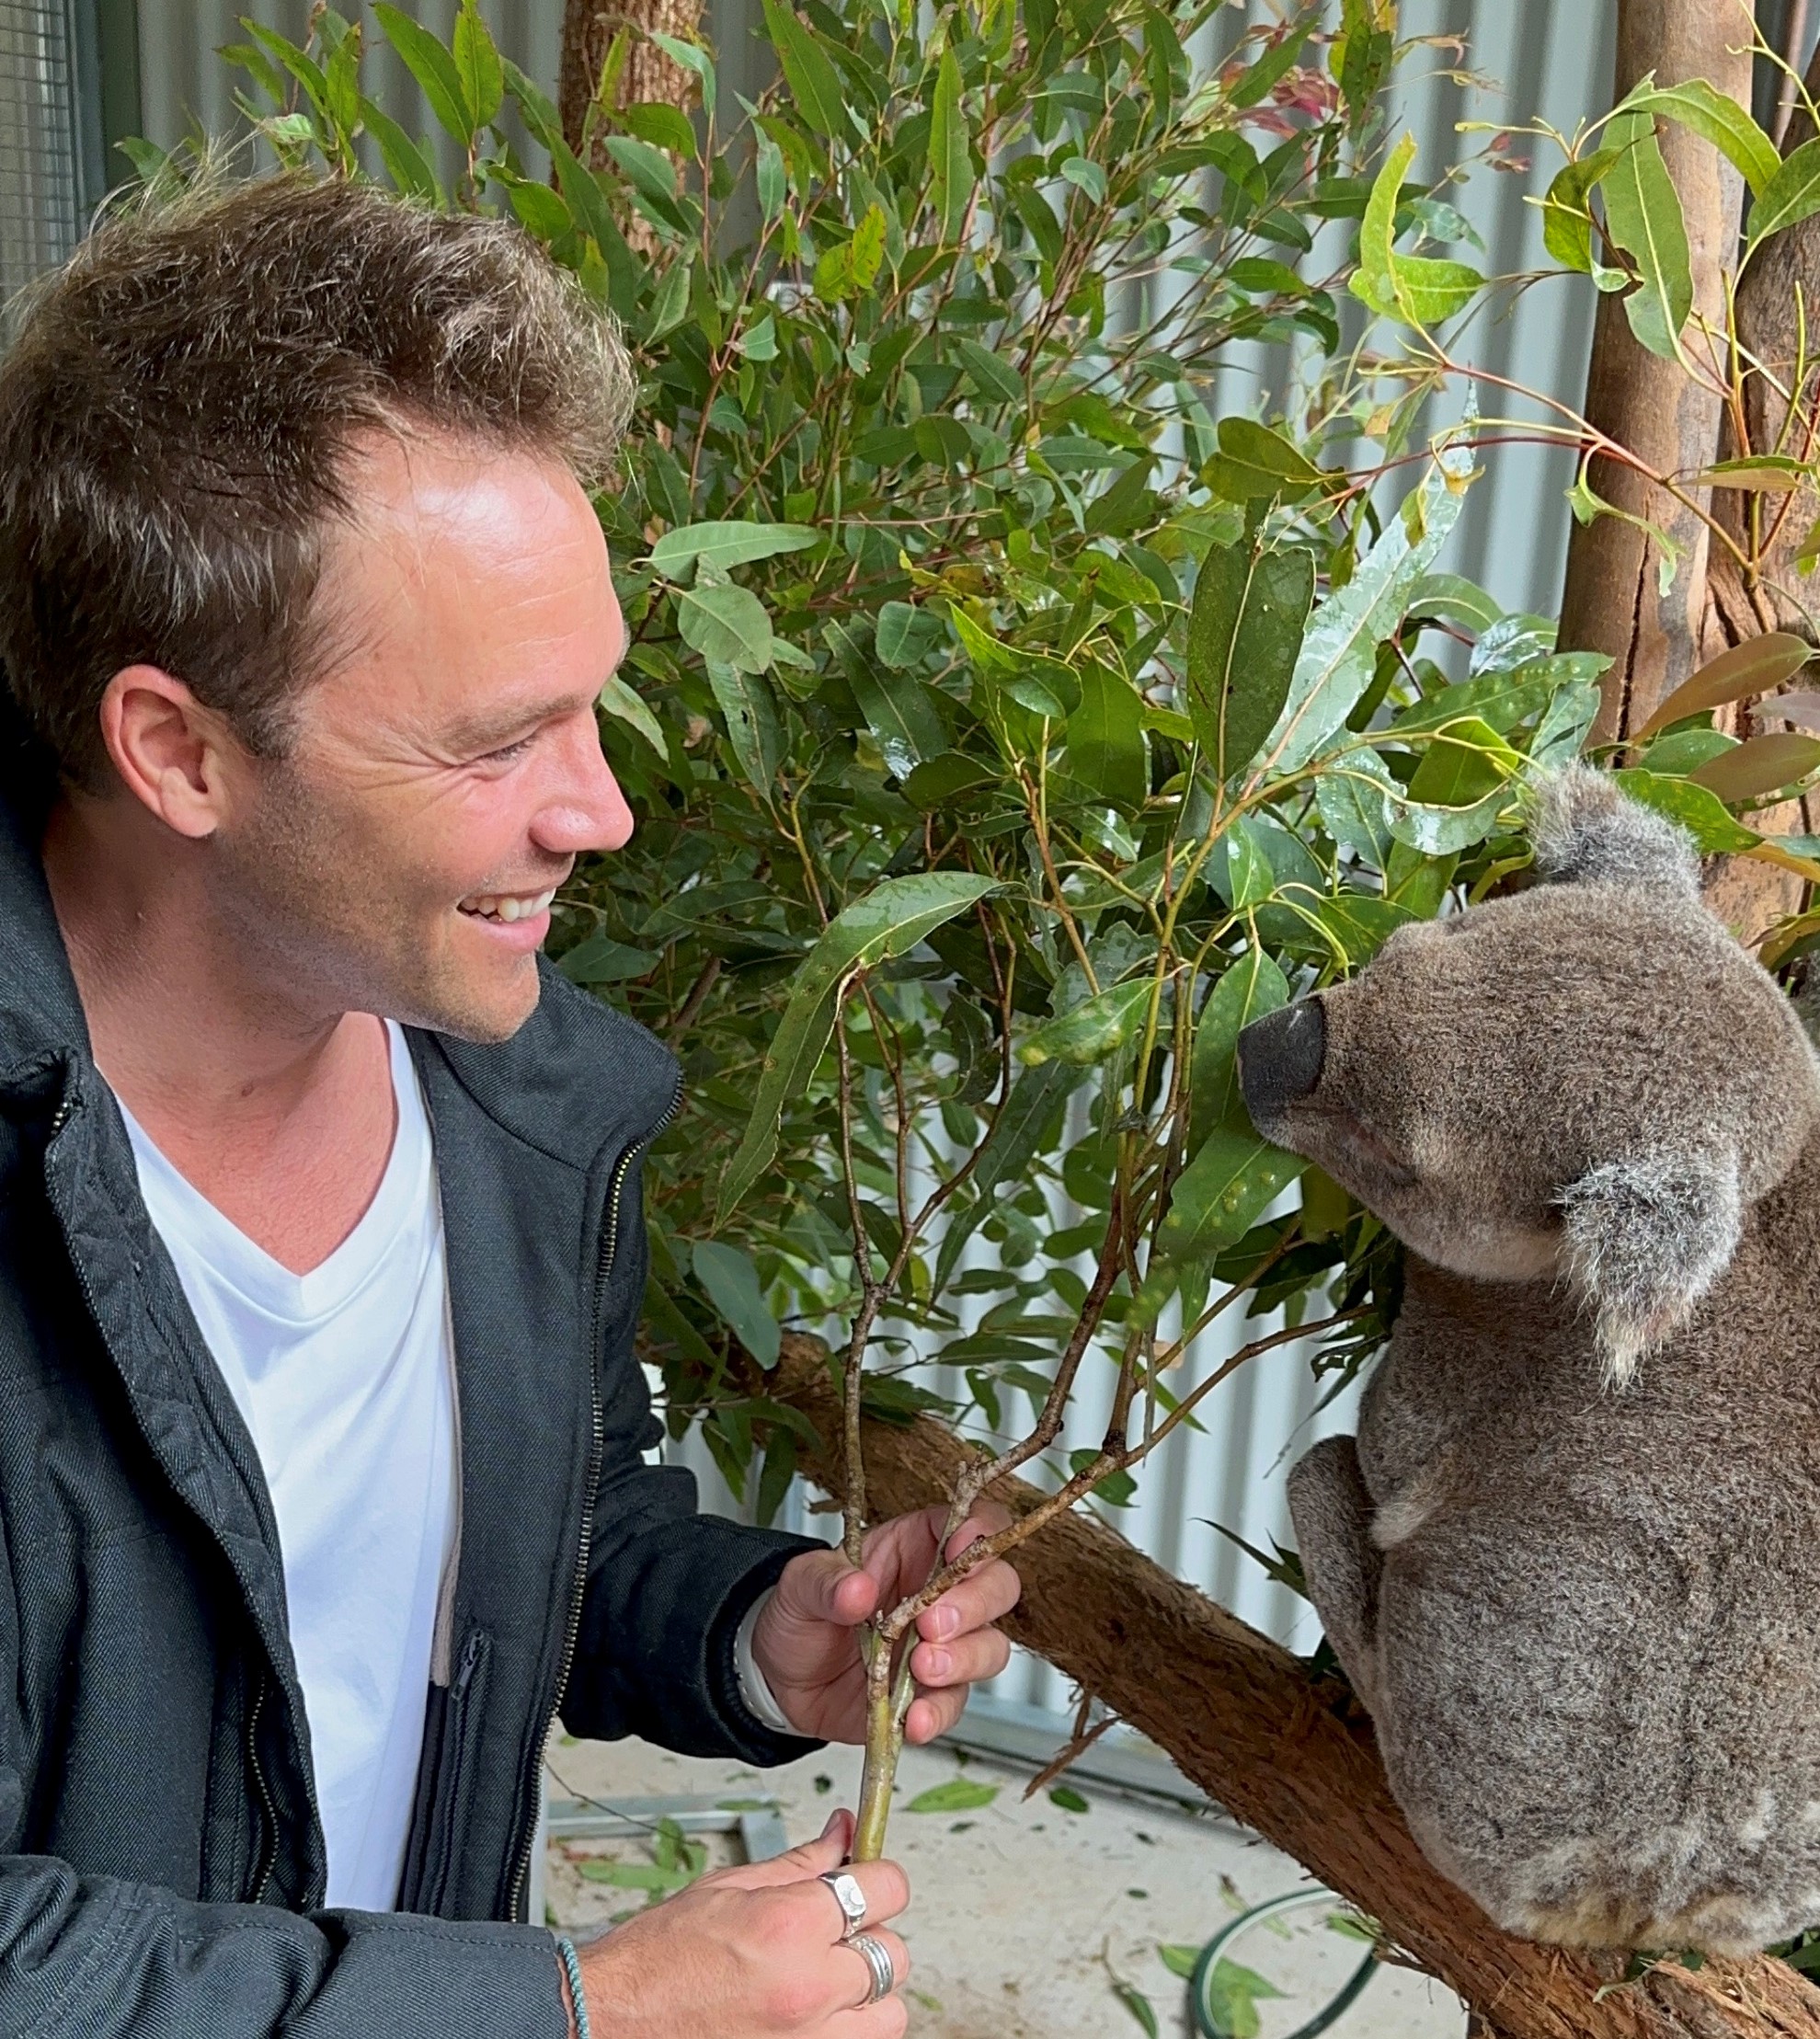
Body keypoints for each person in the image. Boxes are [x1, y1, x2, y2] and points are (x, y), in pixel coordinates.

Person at [0, 171, 1022, 2037]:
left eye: (595, 706)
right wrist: (570, 2004)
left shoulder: (514, 1098)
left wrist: (747, 1623)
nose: (599, 809)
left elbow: (536, 1524)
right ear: (179, 749)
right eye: (495, 739)